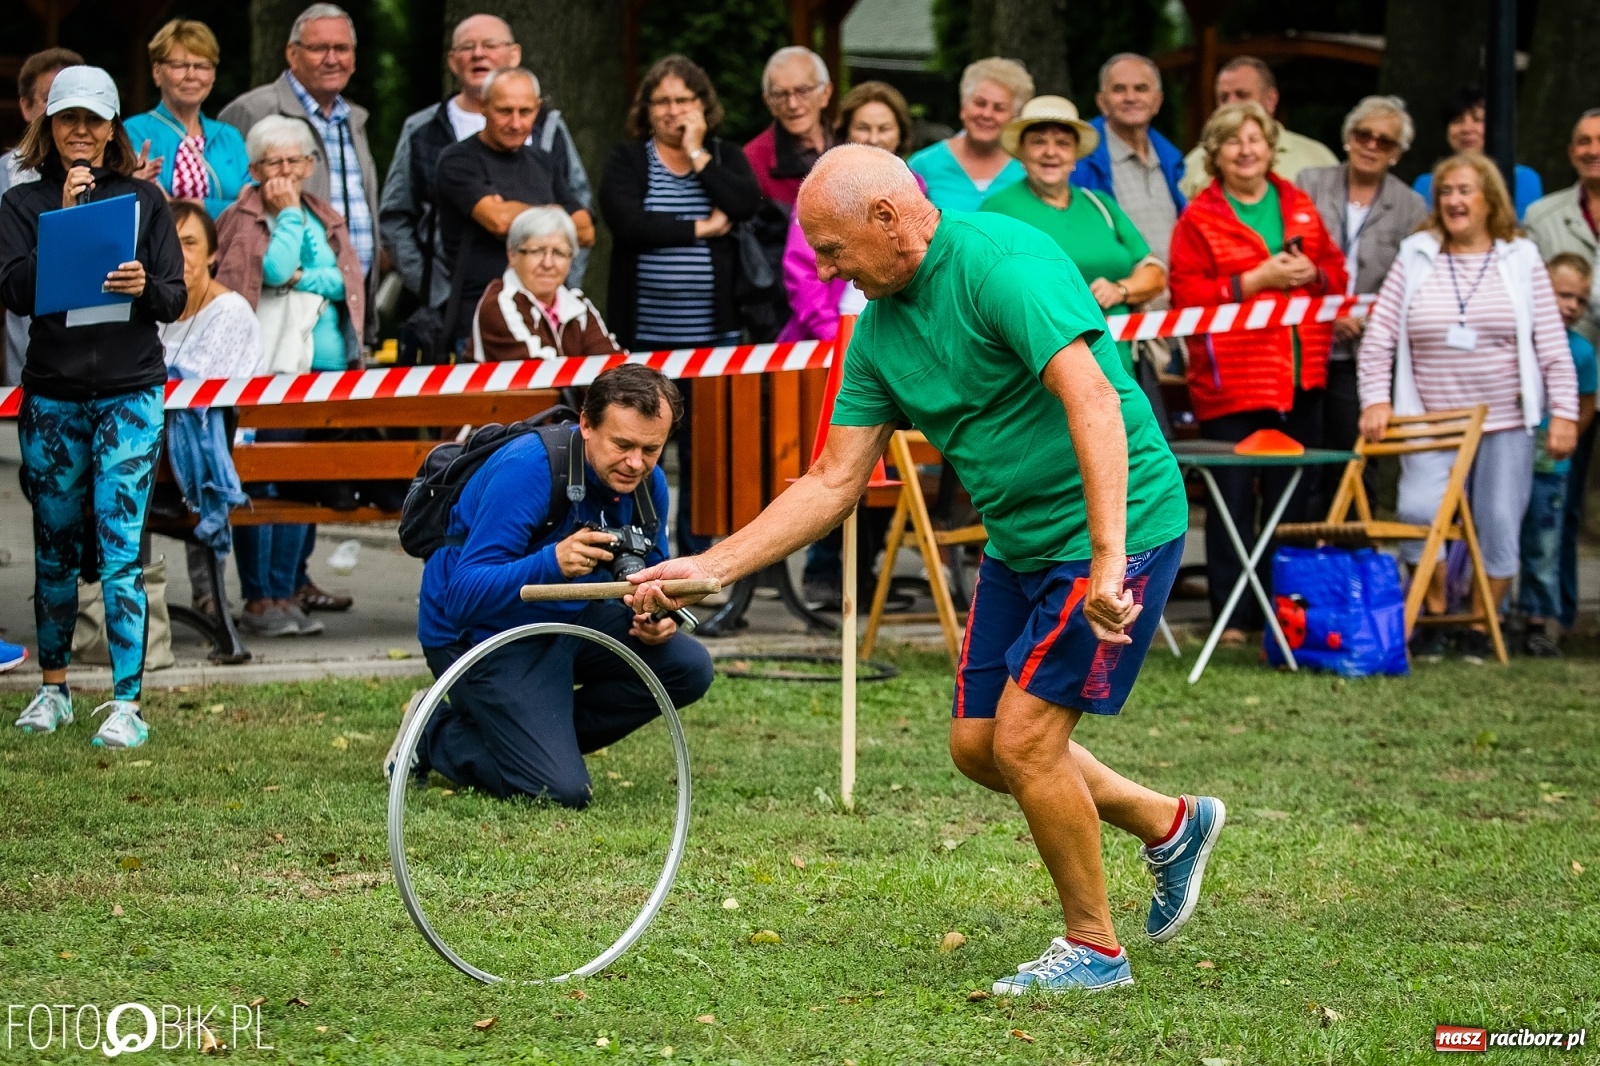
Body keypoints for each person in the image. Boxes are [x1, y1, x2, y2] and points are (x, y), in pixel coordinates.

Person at [631, 145, 1224, 993]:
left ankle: (1095, 949)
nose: (828, 271)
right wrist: (713, 565)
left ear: (887, 218)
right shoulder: (877, 333)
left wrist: (1107, 561)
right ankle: (1170, 823)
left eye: (832, 251)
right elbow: (835, 478)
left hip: (1118, 526)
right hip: (1022, 542)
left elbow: (1092, 398)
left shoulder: (1000, 265)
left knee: (1025, 741)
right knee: (980, 748)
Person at [387, 365, 714, 805]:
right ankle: (433, 733)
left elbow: (651, 569)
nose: (636, 463)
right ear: (585, 424)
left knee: (688, 667)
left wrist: (656, 615)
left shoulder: (646, 483)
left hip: (569, 620)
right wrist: (552, 562)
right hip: (478, 634)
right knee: (561, 792)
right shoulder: (530, 468)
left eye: (651, 449)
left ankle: (534, 739)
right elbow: (461, 597)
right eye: (622, 445)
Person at [0, 66, 185, 747]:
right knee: (53, 545)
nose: (81, 130)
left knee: (119, 545)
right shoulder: (22, 205)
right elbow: (16, 291)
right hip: (52, 393)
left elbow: (174, 296)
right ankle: (53, 689)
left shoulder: (145, 200)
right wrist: (68, 223)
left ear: (114, 130)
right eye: (68, 117)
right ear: (47, 127)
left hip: (131, 392)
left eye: (95, 119)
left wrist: (142, 284)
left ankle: (127, 700)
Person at [1358, 153, 1579, 664]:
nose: (1454, 201)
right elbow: (1380, 338)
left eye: (1465, 190)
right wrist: (1375, 399)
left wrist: (1564, 412)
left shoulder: (1520, 257)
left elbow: (1551, 342)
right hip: (1429, 417)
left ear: (1490, 199)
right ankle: (1436, 613)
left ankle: (1482, 622)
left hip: (1504, 418)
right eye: (1446, 193)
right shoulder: (1416, 253)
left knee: (1499, 518)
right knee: (1416, 511)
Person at [1167, 103, 1346, 644]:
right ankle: (1232, 618)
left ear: (1271, 147)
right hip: (1233, 382)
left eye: (1256, 140)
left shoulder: (1299, 205)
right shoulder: (1198, 217)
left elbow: (1336, 274)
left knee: (1293, 500)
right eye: (1232, 141)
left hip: (1301, 376)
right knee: (1234, 501)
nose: (1246, 150)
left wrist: (1313, 272)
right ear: (1215, 153)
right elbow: (1186, 295)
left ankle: (1281, 614)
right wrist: (1255, 279)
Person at [598, 54, 761, 554]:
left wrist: (697, 154)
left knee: (706, 454)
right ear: (647, 109)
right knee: (638, 449)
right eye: (662, 101)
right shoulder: (628, 161)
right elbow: (629, 224)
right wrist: (701, 228)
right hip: (645, 340)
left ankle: (698, 555)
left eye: (683, 100)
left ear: (702, 105)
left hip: (715, 338)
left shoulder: (724, 156)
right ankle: (637, 551)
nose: (672, 110)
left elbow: (745, 203)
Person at [216, 114, 367, 637]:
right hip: (270, 373)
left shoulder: (324, 213)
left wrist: (307, 275)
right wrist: (285, 220)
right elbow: (273, 272)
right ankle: (262, 599)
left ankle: (288, 590)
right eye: (272, 162)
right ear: (254, 169)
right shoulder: (246, 216)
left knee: (303, 479)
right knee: (267, 480)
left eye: (294, 160)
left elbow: (346, 276)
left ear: (308, 164)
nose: (285, 171)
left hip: (326, 372)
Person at [380, 15, 592, 308]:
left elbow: (584, 226)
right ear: (452, 61)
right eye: (468, 46)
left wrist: (561, 286)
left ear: (514, 54)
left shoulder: (548, 129)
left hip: (546, 305)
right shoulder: (424, 131)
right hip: (464, 303)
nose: (479, 53)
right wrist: (437, 292)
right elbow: (396, 219)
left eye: (490, 44)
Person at [981, 95, 1166, 377]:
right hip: (1038, 373)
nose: (1051, 152)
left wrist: (1120, 289)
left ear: (1075, 155)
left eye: (1063, 143)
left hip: (1121, 364)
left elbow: (1154, 272)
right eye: (1038, 141)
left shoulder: (1100, 204)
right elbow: (979, 290)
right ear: (1021, 152)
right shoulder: (997, 210)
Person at [1296, 96, 1430, 467]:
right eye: (1363, 134)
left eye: (1384, 141)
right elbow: (1291, 253)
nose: (1371, 145)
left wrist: (1365, 320)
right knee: (1300, 454)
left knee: (1353, 455)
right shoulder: (1311, 183)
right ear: (1348, 137)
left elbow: (1411, 281)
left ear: (1397, 153)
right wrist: (1328, 312)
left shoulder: (1411, 206)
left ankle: (1349, 526)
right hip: (1308, 339)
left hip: (1364, 347)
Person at [433, 67, 592, 350]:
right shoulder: (458, 159)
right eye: (505, 111)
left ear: (538, 109)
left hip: (547, 319)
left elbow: (586, 231)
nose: (516, 123)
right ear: (482, 106)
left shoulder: (544, 162)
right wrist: (555, 216)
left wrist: (516, 211)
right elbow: (499, 222)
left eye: (526, 112)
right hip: (480, 319)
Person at [218, 3, 378, 286]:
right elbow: (229, 211)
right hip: (282, 300)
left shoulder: (353, 119)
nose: (332, 59)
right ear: (292, 54)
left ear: (353, 58)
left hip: (348, 299)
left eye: (341, 49)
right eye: (318, 49)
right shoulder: (252, 111)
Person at [161, 200, 260, 619]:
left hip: (220, 445)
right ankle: (132, 591)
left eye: (190, 242)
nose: (179, 252)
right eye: (169, 241)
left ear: (213, 254)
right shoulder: (155, 309)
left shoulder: (230, 310)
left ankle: (208, 595)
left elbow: (203, 397)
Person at [780, 81, 920, 343]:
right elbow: (803, 273)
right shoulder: (820, 187)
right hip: (830, 337)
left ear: (901, 134)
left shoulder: (917, 188)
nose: (874, 138)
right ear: (845, 132)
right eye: (863, 127)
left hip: (895, 338)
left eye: (885, 128)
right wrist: (835, 337)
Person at [1517, 252, 1597, 657]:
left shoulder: (1582, 352)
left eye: (1580, 300)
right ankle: (1489, 614)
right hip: (1509, 447)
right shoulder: (1515, 337)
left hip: (1551, 460)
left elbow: (1586, 404)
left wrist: (1566, 437)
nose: (1571, 306)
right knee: (1495, 532)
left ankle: (1537, 623)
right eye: (1562, 295)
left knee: (1544, 541)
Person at [1, 48, 82, 388]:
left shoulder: (119, 178)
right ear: (25, 106)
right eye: (52, 99)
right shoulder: (4, 177)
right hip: (24, 344)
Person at [122, 19, 250, 219]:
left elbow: (253, 206)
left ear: (214, 75)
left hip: (230, 249)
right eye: (180, 65)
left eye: (201, 66)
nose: (191, 75)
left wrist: (193, 205)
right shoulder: (135, 131)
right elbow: (153, 205)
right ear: (157, 72)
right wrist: (229, 208)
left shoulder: (229, 136)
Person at [1075, 52, 1186, 263]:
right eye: (1119, 89)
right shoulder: (1081, 162)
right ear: (1101, 101)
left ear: (1157, 101)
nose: (1130, 98)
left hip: (1174, 293)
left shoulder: (1172, 161)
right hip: (1117, 292)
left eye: (1141, 89)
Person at [472, 205, 618, 360]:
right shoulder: (499, 304)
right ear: (512, 254)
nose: (548, 263)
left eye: (559, 253)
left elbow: (613, 366)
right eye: (536, 251)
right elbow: (537, 377)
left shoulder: (579, 305)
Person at [1178, 57, 1337, 199]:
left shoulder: (1316, 158)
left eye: (1242, 95)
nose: (1231, 104)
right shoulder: (1196, 161)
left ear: (1271, 100)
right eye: (1223, 97)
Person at [908, 57, 1032, 212]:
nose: (987, 114)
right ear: (963, 107)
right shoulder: (923, 165)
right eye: (980, 103)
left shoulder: (1028, 168)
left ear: (1014, 117)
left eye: (999, 108)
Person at [1524, 109, 1600, 344]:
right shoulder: (1540, 217)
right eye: (1584, 142)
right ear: (1571, 153)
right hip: (1564, 362)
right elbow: (1525, 296)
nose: (1593, 151)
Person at [1412, 88, 1543, 222]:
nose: (1467, 129)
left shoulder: (1522, 178)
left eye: (1477, 120)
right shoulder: (1427, 183)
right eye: (1457, 121)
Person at [744, 46, 833, 208]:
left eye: (802, 91)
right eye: (780, 94)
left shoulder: (851, 142)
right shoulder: (753, 160)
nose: (792, 104)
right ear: (768, 102)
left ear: (825, 93)